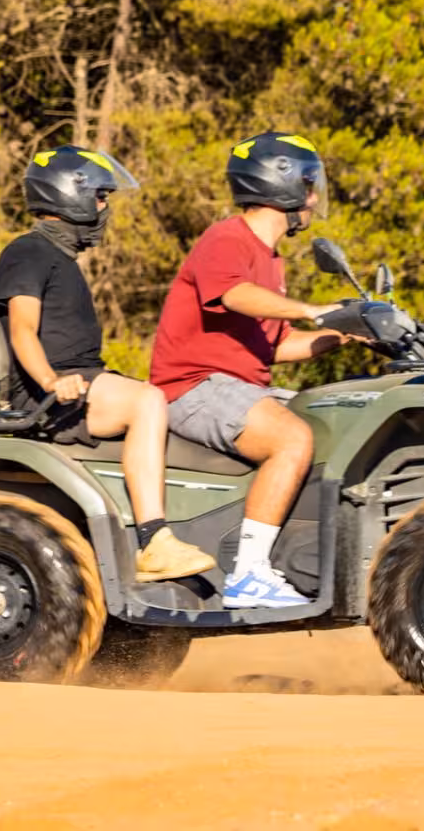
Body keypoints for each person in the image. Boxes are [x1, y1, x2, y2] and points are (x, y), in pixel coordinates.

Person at [148, 132, 356, 608]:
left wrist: (342, 333)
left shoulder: (271, 260)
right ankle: (249, 574)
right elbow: (231, 294)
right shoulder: (227, 238)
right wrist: (311, 310)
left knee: (329, 424)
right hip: (191, 387)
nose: (313, 198)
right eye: (309, 185)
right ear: (280, 184)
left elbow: (275, 346)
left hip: (234, 387)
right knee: (291, 438)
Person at [0, 146, 218, 583]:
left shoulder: (60, 258)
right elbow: (22, 329)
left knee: (160, 404)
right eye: (99, 197)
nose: (104, 208)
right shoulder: (29, 252)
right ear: (68, 194)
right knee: (147, 400)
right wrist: (51, 381)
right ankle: (153, 541)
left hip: (81, 381)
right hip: (51, 394)